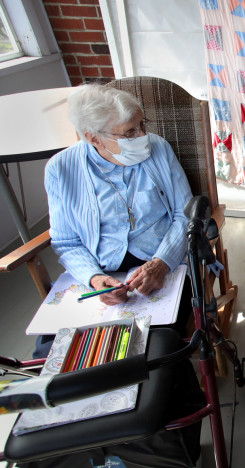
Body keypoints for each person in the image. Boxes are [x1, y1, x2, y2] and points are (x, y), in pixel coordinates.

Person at [34, 84, 193, 359]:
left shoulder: (159, 149)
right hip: (100, 270)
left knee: (153, 349)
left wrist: (161, 263)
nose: (143, 135)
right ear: (94, 138)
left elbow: (185, 213)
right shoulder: (61, 169)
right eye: (130, 132)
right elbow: (66, 241)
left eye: (142, 124)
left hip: (162, 263)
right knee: (55, 352)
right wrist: (94, 279)